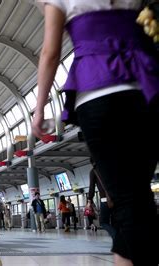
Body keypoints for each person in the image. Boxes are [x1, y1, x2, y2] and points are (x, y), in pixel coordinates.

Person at [33, 1, 158, 265]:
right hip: (146, 88)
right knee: (138, 199)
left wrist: (39, 109)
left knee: (128, 202)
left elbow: (50, 53)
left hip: (97, 93)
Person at [88, 159, 116, 239]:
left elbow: (92, 188)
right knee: (115, 222)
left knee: (103, 222)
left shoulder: (94, 171)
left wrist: (89, 199)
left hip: (105, 200)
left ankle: (116, 237)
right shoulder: (110, 167)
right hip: (117, 198)